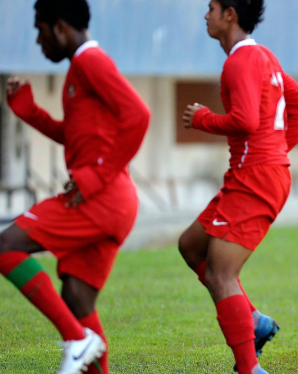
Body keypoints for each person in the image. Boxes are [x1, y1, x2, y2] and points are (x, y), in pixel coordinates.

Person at [1, 1, 151, 373]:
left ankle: (77, 339)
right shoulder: (79, 70)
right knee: (77, 298)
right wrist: (29, 112)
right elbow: (76, 137)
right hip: (110, 199)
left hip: (101, 198)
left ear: (62, 28)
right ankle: (81, 338)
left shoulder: (90, 61)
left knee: (5, 246)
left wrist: (97, 175)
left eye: (40, 31)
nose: (38, 42)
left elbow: (139, 115)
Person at [176, 1, 298, 373]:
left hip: (255, 177)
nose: (205, 15)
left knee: (219, 275)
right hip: (253, 173)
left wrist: (203, 119)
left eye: (211, 8)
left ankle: (249, 368)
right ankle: (254, 320)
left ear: (230, 15)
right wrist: (274, 152)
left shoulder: (239, 61)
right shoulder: (264, 57)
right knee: (191, 245)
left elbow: (245, 119)